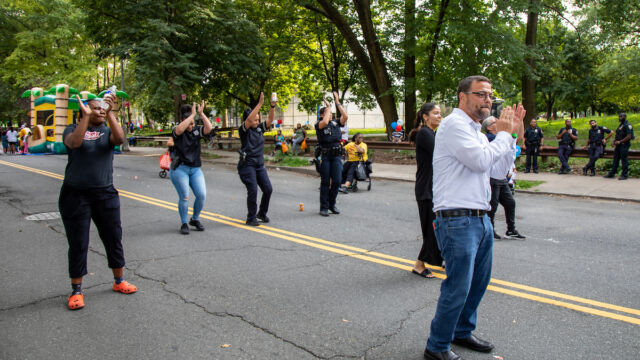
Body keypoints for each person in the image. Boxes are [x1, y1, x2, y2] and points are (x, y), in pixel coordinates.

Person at [425, 75, 524, 360]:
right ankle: (437, 346)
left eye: (490, 96)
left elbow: (496, 172)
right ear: (462, 96)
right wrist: (503, 135)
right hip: (457, 219)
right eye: (481, 95)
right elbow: (481, 160)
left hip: (480, 219)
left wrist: (512, 135)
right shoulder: (454, 125)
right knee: (458, 287)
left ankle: (461, 330)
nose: (488, 101)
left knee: (479, 282)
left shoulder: (477, 132)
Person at [59, 93, 137, 311]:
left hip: (105, 194)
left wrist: (111, 114)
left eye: (103, 108)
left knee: (113, 237)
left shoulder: (106, 131)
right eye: (96, 108)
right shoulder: (71, 131)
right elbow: (75, 143)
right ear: (84, 111)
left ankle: (119, 280)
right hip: (75, 195)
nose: (101, 110)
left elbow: (120, 139)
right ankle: (76, 290)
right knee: (78, 242)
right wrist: (85, 117)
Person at [170, 101, 214, 235]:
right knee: (184, 196)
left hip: (195, 169)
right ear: (183, 120)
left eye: (193, 123)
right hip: (180, 169)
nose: (192, 125)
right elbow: (178, 130)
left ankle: (194, 219)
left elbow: (209, 129)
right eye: (189, 122)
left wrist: (201, 114)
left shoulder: (196, 131)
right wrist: (192, 115)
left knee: (201, 195)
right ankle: (184, 222)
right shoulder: (178, 131)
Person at [410, 102, 442, 278]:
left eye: (440, 113)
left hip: (435, 188)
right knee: (431, 228)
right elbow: (442, 153)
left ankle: (441, 258)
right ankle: (419, 265)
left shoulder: (432, 133)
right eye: (435, 113)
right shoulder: (424, 133)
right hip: (426, 188)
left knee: (439, 226)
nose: (439, 116)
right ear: (425, 116)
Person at [482, 116, 526, 240]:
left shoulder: (501, 137)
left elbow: (517, 138)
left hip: (501, 178)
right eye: (497, 122)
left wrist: (518, 123)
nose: (501, 123)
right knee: (492, 206)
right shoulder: (490, 138)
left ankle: (511, 230)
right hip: (493, 178)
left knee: (510, 203)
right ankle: (489, 230)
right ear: (490, 127)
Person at [238, 92, 275, 226]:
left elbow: (270, 120)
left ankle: (262, 213)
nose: (257, 121)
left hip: (259, 164)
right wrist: (259, 103)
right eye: (255, 119)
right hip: (247, 165)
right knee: (253, 189)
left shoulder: (259, 129)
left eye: (258, 119)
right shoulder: (243, 130)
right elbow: (248, 121)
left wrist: (272, 106)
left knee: (268, 189)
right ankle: (251, 217)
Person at [316, 92, 348, 216]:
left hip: (336, 156)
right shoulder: (319, 125)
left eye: (330, 113)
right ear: (322, 114)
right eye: (327, 113)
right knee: (325, 182)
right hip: (326, 156)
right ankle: (323, 207)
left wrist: (337, 102)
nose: (330, 115)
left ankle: (331, 204)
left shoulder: (335, 123)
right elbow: (324, 122)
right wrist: (328, 106)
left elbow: (345, 116)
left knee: (337, 181)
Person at [604, 112, 635, 180]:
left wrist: (620, 141)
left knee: (624, 160)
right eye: (619, 116)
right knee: (615, 159)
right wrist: (614, 141)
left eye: (621, 116)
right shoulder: (621, 125)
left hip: (624, 145)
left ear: (625, 117)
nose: (620, 117)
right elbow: (618, 134)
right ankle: (612, 173)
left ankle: (624, 175)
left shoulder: (627, 125)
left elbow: (629, 136)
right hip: (618, 145)